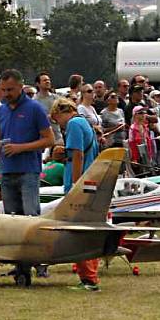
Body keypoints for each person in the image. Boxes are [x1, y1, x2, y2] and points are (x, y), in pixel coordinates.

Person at [49, 98, 100, 291]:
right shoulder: (84, 123)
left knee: (78, 232)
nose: (59, 125)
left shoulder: (73, 124)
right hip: (90, 182)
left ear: (61, 112)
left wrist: (75, 184)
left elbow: (77, 154)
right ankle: (89, 276)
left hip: (80, 184)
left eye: (57, 120)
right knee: (88, 230)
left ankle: (88, 279)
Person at [0, 69, 54, 217]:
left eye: (10, 89)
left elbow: (49, 139)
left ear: (21, 86)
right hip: (6, 171)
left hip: (28, 171)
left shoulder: (35, 108)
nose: (6, 94)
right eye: (3, 90)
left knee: (30, 215)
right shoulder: (1, 110)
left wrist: (21, 148)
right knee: (11, 217)